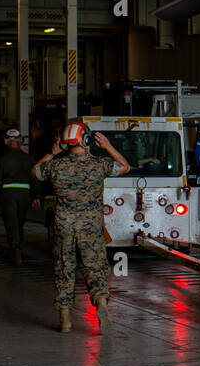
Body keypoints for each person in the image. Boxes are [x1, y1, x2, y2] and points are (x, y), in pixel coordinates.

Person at [33, 121, 129, 334]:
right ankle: (101, 305)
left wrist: (52, 152)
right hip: (91, 227)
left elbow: (36, 171)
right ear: (86, 140)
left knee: (64, 270)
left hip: (64, 226)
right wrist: (108, 146)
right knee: (95, 268)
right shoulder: (98, 164)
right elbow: (125, 166)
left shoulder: (56, 166)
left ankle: (65, 320)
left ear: (66, 144)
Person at [0, 128, 38, 265]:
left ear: (6, 141)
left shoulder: (2, 160)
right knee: (20, 222)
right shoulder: (29, 159)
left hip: (8, 195)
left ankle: (15, 249)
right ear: (20, 142)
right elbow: (34, 179)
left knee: (11, 224)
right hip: (24, 195)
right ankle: (18, 246)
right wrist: (36, 196)